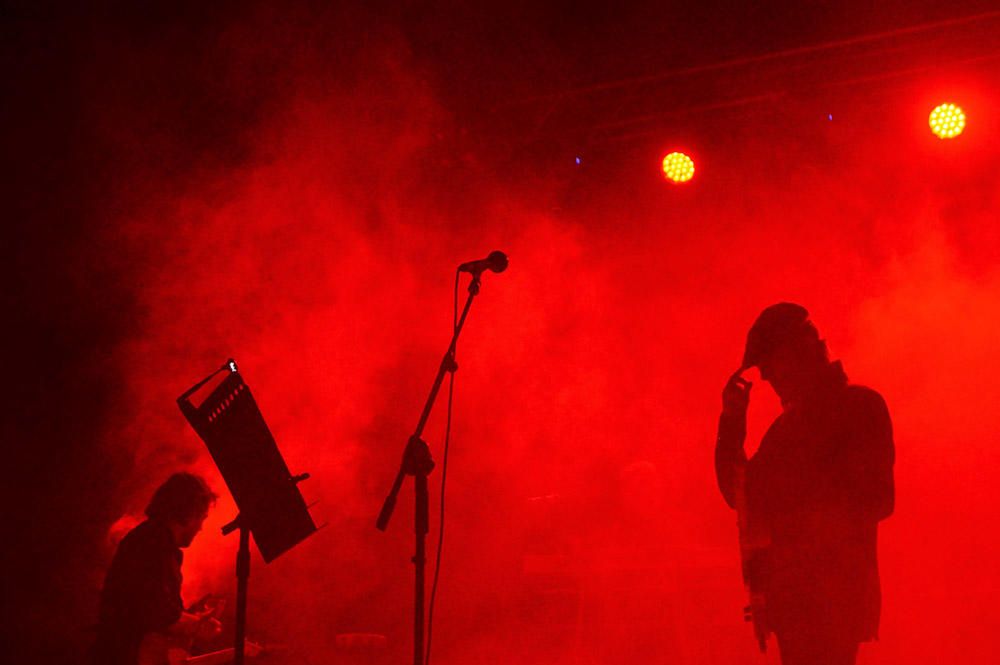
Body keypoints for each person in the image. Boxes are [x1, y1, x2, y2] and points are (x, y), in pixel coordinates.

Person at [714, 303, 895, 665]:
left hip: (832, 597)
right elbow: (742, 495)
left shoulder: (858, 408)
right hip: (797, 601)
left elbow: (877, 499)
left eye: (770, 363)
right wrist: (732, 424)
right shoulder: (787, 429)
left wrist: (798, 525)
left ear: (801, 352)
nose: (766, 377)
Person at [91, 472, 221, 665]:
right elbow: (156, 613)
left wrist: (190, 618)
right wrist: (196, 626)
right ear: (188, 513)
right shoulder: (154, 544)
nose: (201, 527)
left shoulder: (150, 539)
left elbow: (152, 606)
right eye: (201, 517)